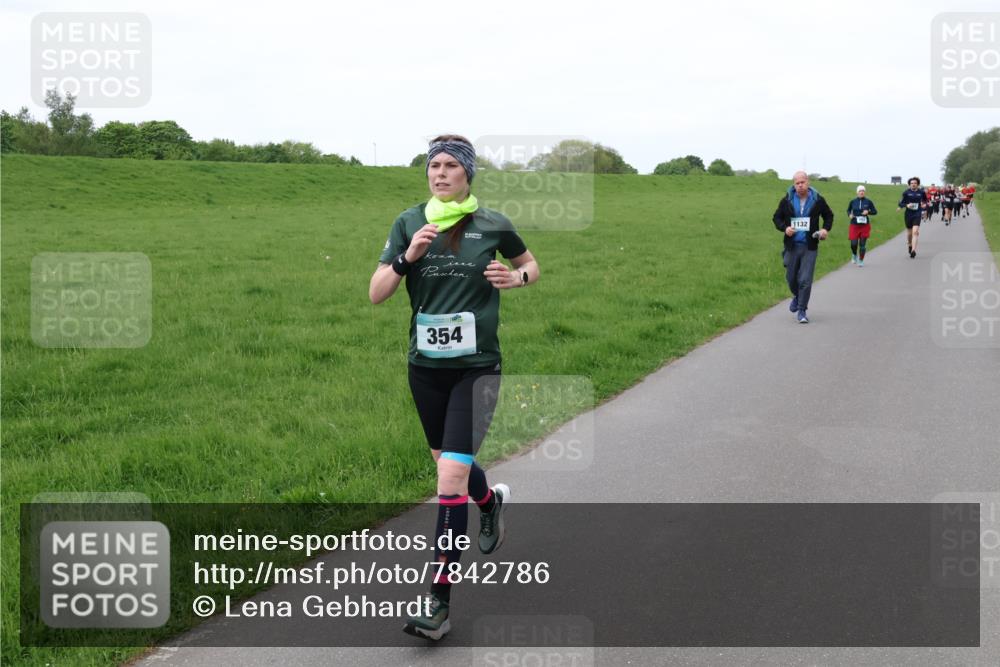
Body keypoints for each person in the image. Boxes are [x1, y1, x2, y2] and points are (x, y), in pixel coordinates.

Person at [369, 134, 539, 640]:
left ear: (468, 174)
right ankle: (489, 504)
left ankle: (437, 604)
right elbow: (376, 294)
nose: (439, 173)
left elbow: (531, 264)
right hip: (425, 368)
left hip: (477, 367)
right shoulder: (407, 222)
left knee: (447, 481)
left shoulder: (492, 224)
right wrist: (406, 259)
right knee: (451, 468)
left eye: (449, 166)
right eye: (433, 166)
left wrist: (517, 280)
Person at [772, 171, 833, 324]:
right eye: (797, 183)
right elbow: (776, 217)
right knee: (791, 278)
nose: (800, 185)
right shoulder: (787, 199)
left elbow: (829, 215)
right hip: (792, 245)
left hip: (809, 245)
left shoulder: (817, 199)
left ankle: (802, 310)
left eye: (802, 182)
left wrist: (825, 229)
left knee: (805, 279)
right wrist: (785, 228)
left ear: (808, 182)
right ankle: (798, 296)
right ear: (794, 184)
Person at [846, 185, 877, 266]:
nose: (861, 192)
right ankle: (854, 255)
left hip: (864, 225)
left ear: (865, 192)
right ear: (857, 192)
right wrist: (849, 215)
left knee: (862, 244)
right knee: (853, 244)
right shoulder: (853, 202)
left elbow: (875, 211)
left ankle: (861, 260)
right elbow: (848, 210)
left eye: (863, 191)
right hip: (854, 225)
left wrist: (868, 212)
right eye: (860, 191)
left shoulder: (868, 202)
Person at [897, 177, 926, 258]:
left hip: (917, 213)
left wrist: (924, 204)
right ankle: (910, 244)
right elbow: (900, 203)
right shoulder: (906, 193)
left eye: (915, 183)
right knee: (909, 233)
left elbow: (925, 200)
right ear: (909, 184)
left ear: (918, 184)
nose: (913, 184)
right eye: (912, 183)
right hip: (908, 214)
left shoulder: (921, 192)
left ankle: (913, 250)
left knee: (915, 232)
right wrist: (906, 205)